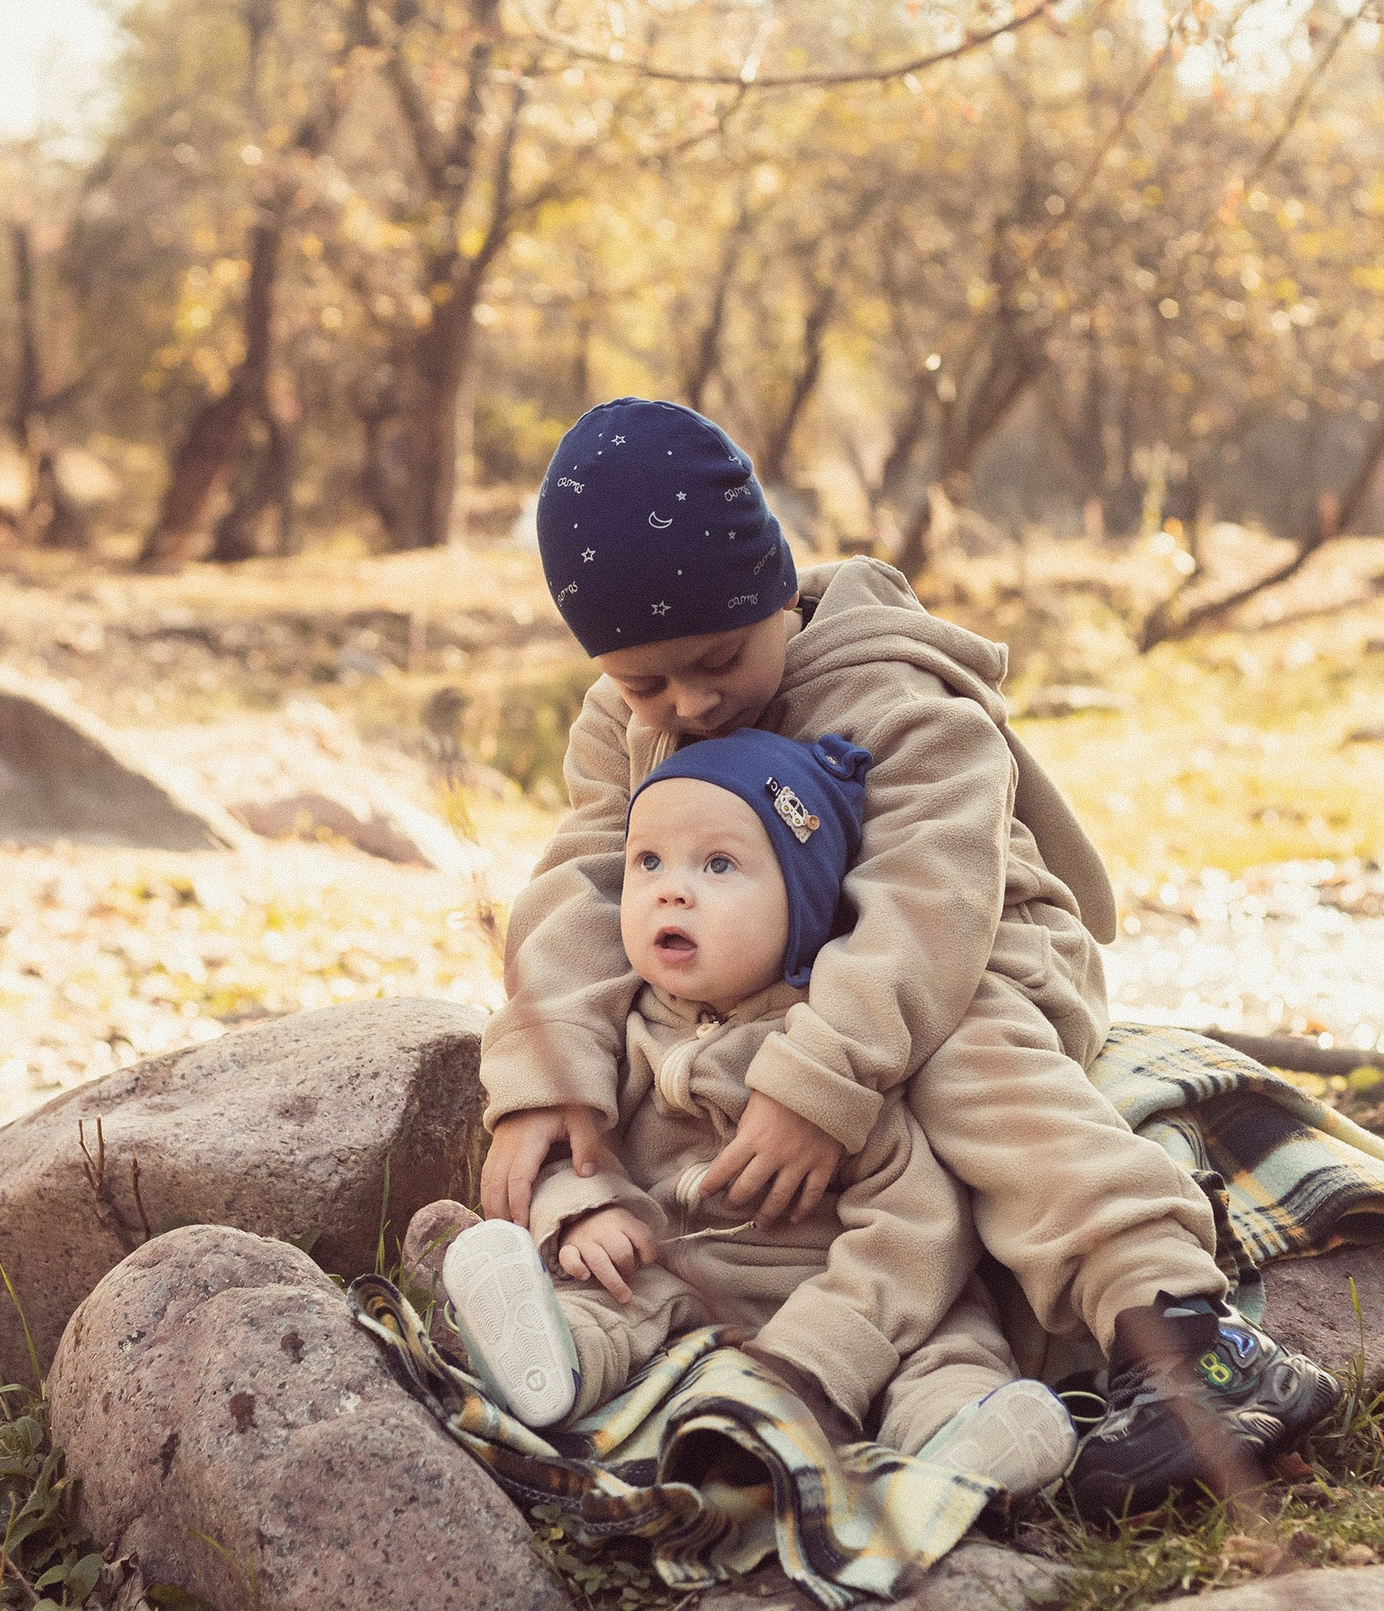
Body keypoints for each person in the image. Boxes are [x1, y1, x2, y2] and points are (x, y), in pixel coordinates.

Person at [473, 398, 1336, 1515]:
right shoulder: (621, 722)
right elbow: (584, 885)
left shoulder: (901, 695)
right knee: (639, 1062)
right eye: (644, 683)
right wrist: (545, 1074)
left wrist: (822, 1076)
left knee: (958, 1064)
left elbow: (931, 903)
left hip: (970, 954)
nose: (686, 704)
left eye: (718, 658)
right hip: (764, 978)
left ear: (774, 587)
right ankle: (593, 1318)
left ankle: (1181, 1333)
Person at [434, 725, 1079, 1494]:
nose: (673, 888)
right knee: (605, 1301)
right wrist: (581, 1210)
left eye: (719, 864)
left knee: (944, 1349)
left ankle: (966, 1434)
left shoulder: (831, 1054)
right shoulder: (616, 1033)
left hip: (849, 1296)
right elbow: (573, 1148)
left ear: (803, 905)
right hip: (679, 1278)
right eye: (649, 861)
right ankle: (544, 1361)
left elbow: (920, 1229)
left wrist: (822, 1345)